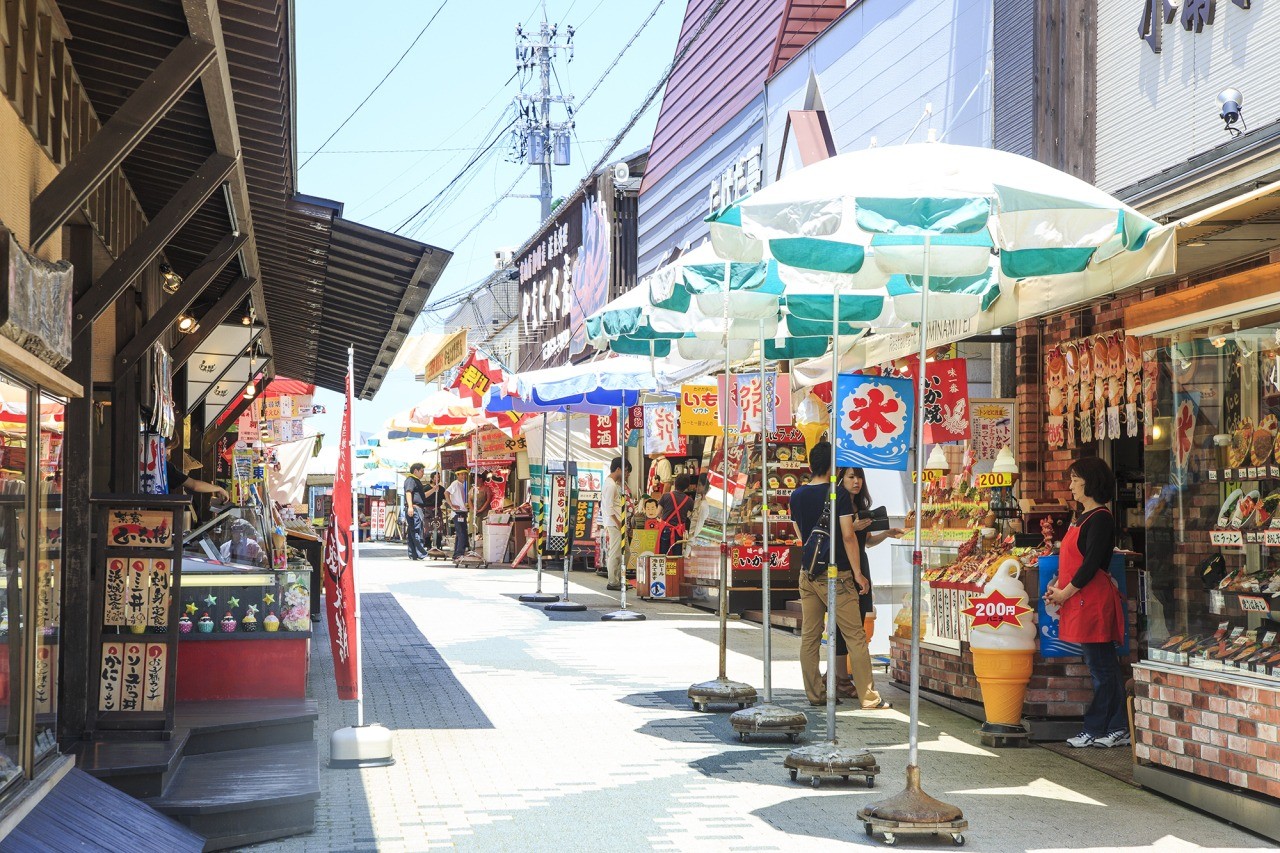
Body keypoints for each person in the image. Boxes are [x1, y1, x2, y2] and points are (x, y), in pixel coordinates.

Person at [789, 442, 889, 709]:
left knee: (810, 636)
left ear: (812, 464)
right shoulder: (839, 494)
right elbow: (848, 535)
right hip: (838, 575)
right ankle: (869, 697)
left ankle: (815, 694)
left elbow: (802, 537)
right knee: (855, 636)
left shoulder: (796, 495)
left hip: (807, 574)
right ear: (833, 465)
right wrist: (858, 573)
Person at [1046, 456, 1128, 749]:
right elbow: (1072, 563)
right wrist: (1057, 587)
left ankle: (1104, 727)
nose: (1071, 486)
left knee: (1102, 667)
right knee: (1100, 666)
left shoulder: (1101, 518)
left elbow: (1091, 564)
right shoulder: (1080, 517)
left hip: (1092, 602)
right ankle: (1115, 726)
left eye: (1075, 480)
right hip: (1080, 600)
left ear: (1090, 483)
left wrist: (1065, 592)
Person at [830, 467, 904, 698]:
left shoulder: (859, 508)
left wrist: (887, 533)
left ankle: (840, 676)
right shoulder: (836, 505)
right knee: (844, 623)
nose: (856, 481)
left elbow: (868, 542)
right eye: (851, 477)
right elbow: (836, 537)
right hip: (844, 568)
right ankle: (840, 677)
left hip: (862, 566)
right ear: (841, 479)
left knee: (860, 619)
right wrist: (851, 527)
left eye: (859, 477)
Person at [165, 446, 229, 503]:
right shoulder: (168, 468)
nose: (169, 453)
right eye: (169, 448)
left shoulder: (165, 466)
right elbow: (194, 485)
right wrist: (219, 489)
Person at [657, 473, 694, 556]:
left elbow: (658, 513)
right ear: (687, 486)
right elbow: (693, 516)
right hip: (679, 531)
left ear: (675, 483)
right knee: (677, 556)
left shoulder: (665, 496)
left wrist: (665, 520)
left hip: (665, 529)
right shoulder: (689, 500)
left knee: (663, 555)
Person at [602, 457, 625, 590]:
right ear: (618, 469)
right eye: (625, 471)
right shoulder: (610, 485)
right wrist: (618, 523)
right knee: (616, 552)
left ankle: (618, 578)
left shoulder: (612, 483)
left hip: (616, 523)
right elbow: (609, 507)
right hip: (615, 523)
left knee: (624, 552)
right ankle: (613, 581)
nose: (626, 474)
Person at [403, 463, 428, 560]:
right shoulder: (411, 480)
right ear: (415, 471)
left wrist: (433, 490)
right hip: (414, 508)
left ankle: (413, 553)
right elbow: (408, 492)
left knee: (412, 531)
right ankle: (422, 554)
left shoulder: (416, 481)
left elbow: (422, 495)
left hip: (417, 508)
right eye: (422, 471)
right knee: (417, 531)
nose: (423, 473)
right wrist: (410, 507)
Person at [445, 468, 470, 559]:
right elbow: (446, 492)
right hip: (457, 513)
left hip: (462, 512)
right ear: (457, 475)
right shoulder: (455, 483)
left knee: (461, 534)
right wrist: (451, 505)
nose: (464, 476)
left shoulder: (461, 485)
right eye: (462, 474)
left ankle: (457, 553)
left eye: (465, 474)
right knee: (461, 533)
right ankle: (459, 553)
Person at [423, 471, 445, 555]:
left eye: (439, 477)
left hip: (437, 509)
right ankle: (428, 545)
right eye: (436, 477)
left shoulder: (442, 489)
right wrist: (433, 490)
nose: (438, 478)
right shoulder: (426, 487)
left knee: (438, 527)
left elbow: (445, 497)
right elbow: (423, 496)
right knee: (428, 528)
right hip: (428, 510)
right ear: (432, 478)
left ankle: (438, 545)